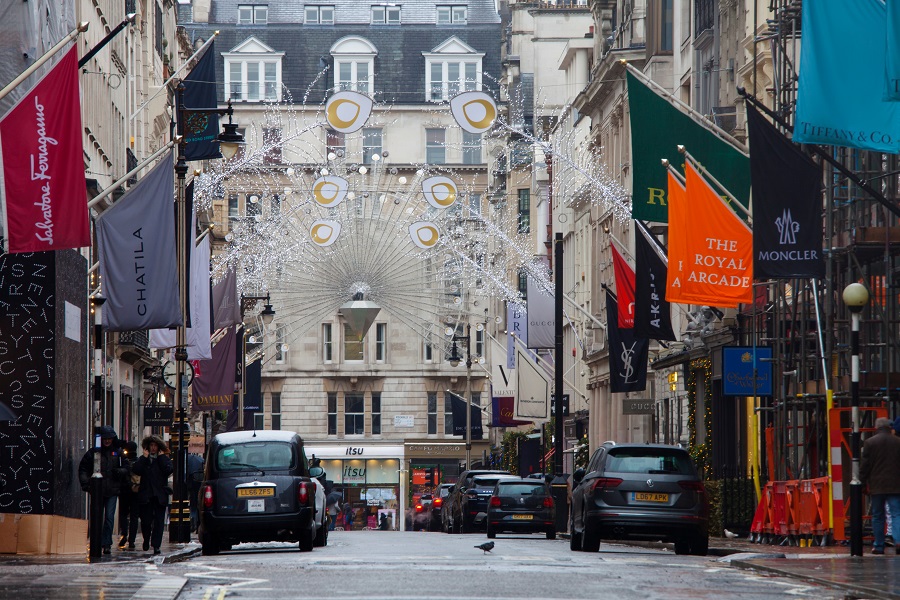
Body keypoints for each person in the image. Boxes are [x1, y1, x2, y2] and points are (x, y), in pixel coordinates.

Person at [78, 425, 130, 555]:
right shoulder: (93, 452)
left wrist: (120, 471)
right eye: (105, 438)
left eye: (109, 438)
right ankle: (97, 542)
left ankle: (106, 543)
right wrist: (86, 484)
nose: (107, 441)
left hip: (112, 490)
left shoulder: (118, 452)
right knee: (97, 517)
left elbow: (127, 467)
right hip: (97, 490)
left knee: (109, 517)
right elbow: (83, 468)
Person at [860, 417, 900, 555]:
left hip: (877, 485)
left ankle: (878, 545)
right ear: (890, 427)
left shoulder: (870, 442)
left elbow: (865, 466)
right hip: (895, 484)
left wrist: (862, 482)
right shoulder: (898, 442)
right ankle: (898, 540)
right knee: (896, 514)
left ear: (876, 427)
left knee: (877, 516)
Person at [132, 435, 174, 555]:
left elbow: (168, 470)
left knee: (159, 522)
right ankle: (146, 539)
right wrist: (144, 458)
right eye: (151, 445)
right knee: (146, 521)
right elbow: (136, 470)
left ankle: (156, 545)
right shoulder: (143, 459)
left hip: (159, 496)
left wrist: (161, 458)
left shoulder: (163, 459)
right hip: (146, 496)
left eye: (155, 446)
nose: (153, 448)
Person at [117, 440, 140, 550]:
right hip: (135, 491)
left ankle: (125, 533)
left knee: (123, 514)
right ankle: (132, 540)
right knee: (134, 516)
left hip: (124, 491)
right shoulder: (138, 461)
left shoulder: (123, 461)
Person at [185, 453, 205, 535]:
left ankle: (192, 524)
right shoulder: (199, 467)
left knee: (193, 507)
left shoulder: (188, 467)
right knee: (196, 507)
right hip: (197, 490)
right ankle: (196, 525)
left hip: (191, 490)